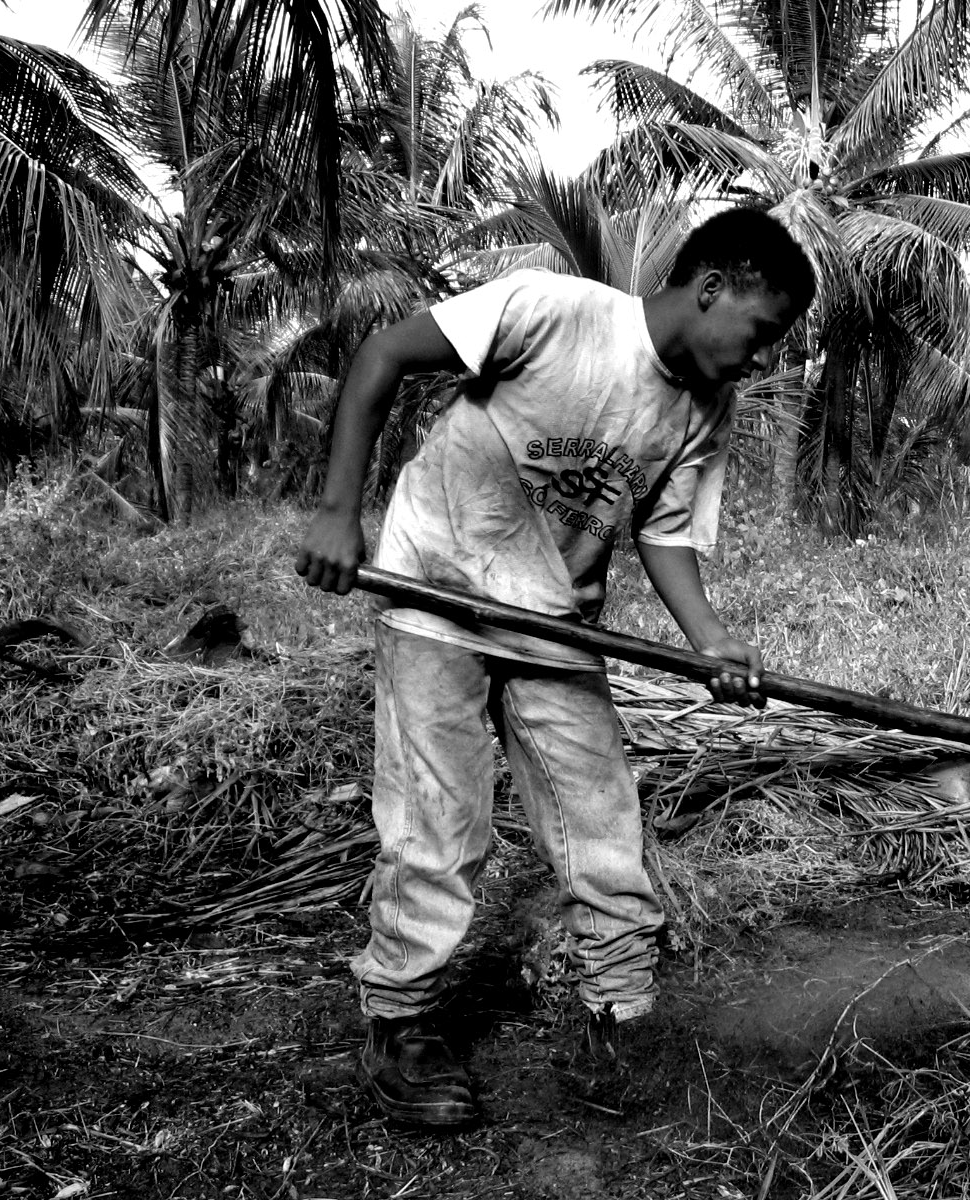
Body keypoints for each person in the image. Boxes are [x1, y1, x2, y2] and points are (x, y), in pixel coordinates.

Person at [295, 207, 815, 1127]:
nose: (762, 356)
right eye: (763, 330)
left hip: (557, 627)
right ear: (712, 290)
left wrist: (709, 641)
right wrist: (340, 511)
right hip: (437, 595)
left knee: (601, 820)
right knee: (438, 825)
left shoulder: (703, 405)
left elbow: (661, 531)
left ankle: (622, 1017)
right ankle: (401, 1021)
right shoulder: (553, 312)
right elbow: (381, 355)